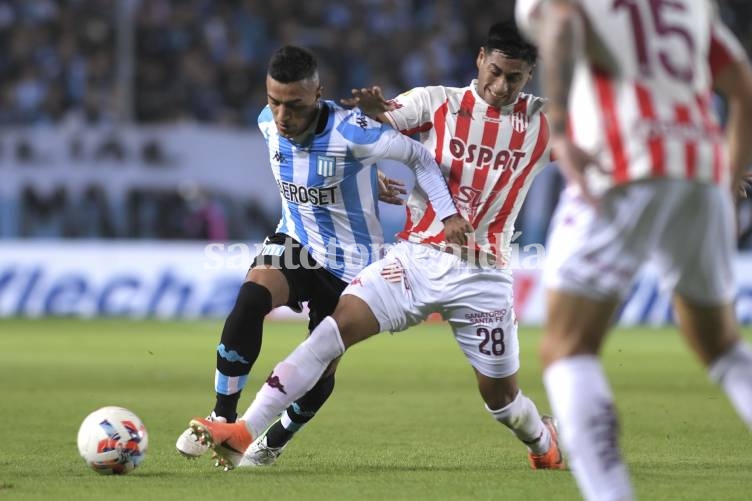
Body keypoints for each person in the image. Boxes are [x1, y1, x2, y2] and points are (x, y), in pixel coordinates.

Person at [189, 21, 565, 472]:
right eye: (496, 71)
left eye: (515, 77)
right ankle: (242, 432)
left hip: (483, 276)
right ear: (481, 58)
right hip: (415, 259)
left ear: (531, 76)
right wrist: (375, 115)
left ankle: (543, 440)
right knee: (333, 331)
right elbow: (369, 127)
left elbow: (604, 149)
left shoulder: (543, 127)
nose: (501, 85)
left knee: (500, 400)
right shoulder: (435, 101)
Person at [176, 45, 470, 461]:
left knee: (320, 365)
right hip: (296, 243)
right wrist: (368, 179)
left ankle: (273, 442)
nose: (282, 116)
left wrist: (447, 214)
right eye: (274, 101)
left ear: (318, 94)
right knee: (249, 300)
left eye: (293, 105)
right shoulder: (267, 124)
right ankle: (221, 420)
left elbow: (420, 157)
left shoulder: (353, 132)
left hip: (351, 265)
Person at [514, 1, 752, 500]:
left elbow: (558, 26)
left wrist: (559, 118)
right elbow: (742, 85)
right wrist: (727, 181)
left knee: (567, 348)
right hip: (700, 168)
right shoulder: (690, 6)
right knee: (723, 347)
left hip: (623, 161)